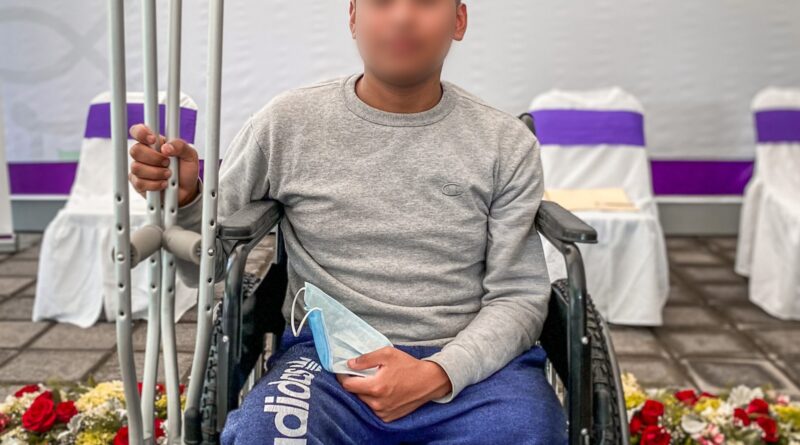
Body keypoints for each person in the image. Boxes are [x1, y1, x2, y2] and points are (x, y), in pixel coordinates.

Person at [127, 0, 566, 443]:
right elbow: (206, 264)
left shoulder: (504, 144)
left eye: (426, 2)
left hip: (473, 368)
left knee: (529, 432)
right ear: (354, 16)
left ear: (459, 20)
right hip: (325, 365)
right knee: (264, 435)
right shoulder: (285, 125)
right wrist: (187, 200)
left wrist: (438, 373)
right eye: (382, 2)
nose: (402, 17)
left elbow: (519, 296)